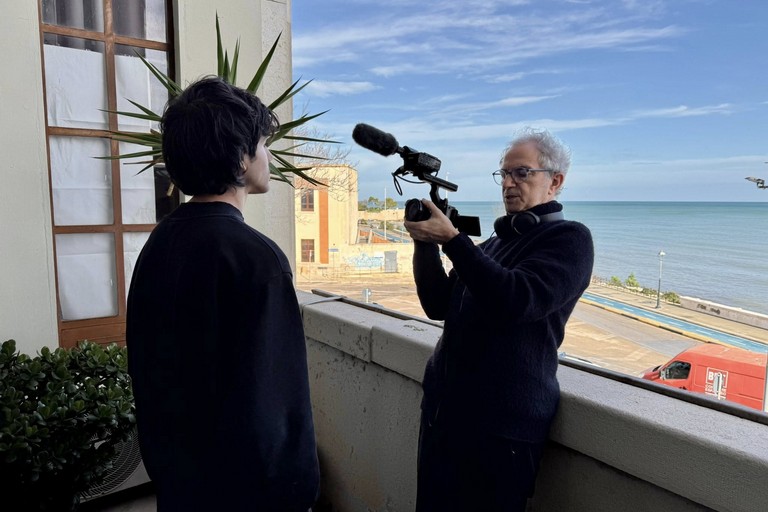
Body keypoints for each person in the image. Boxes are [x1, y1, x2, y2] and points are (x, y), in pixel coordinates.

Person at [126, 76, 320, 511]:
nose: (268, 156)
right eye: (263, 145)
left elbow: (146, 365)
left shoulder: (160, 242)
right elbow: (276, 400)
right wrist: (298, 491)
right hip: (245, 492)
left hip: (179, 480)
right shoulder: (257, 258)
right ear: (240, 159)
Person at [404, 128, 594, 511]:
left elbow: (515, 300)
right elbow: (438, 304)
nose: (508, 183)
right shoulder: (493, 244)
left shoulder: (570, 240)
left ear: (555, 181)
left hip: (502, 432)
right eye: (504, 174)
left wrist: (454, 241)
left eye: (522, 173)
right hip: (445, 416)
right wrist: (424, 243)